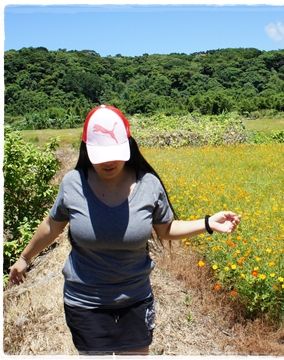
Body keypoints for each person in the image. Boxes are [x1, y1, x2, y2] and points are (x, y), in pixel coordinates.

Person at [8, 104, 242, 356]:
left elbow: (166, 229)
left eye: (115, 152)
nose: (109, 161)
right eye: (100, 155)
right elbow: (52, 225)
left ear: (128, 146)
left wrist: (208, 223)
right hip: (85, 302)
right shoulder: (73, 184)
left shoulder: (148, 184)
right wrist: (24, 257)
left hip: (135, 300)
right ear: (87, 150)